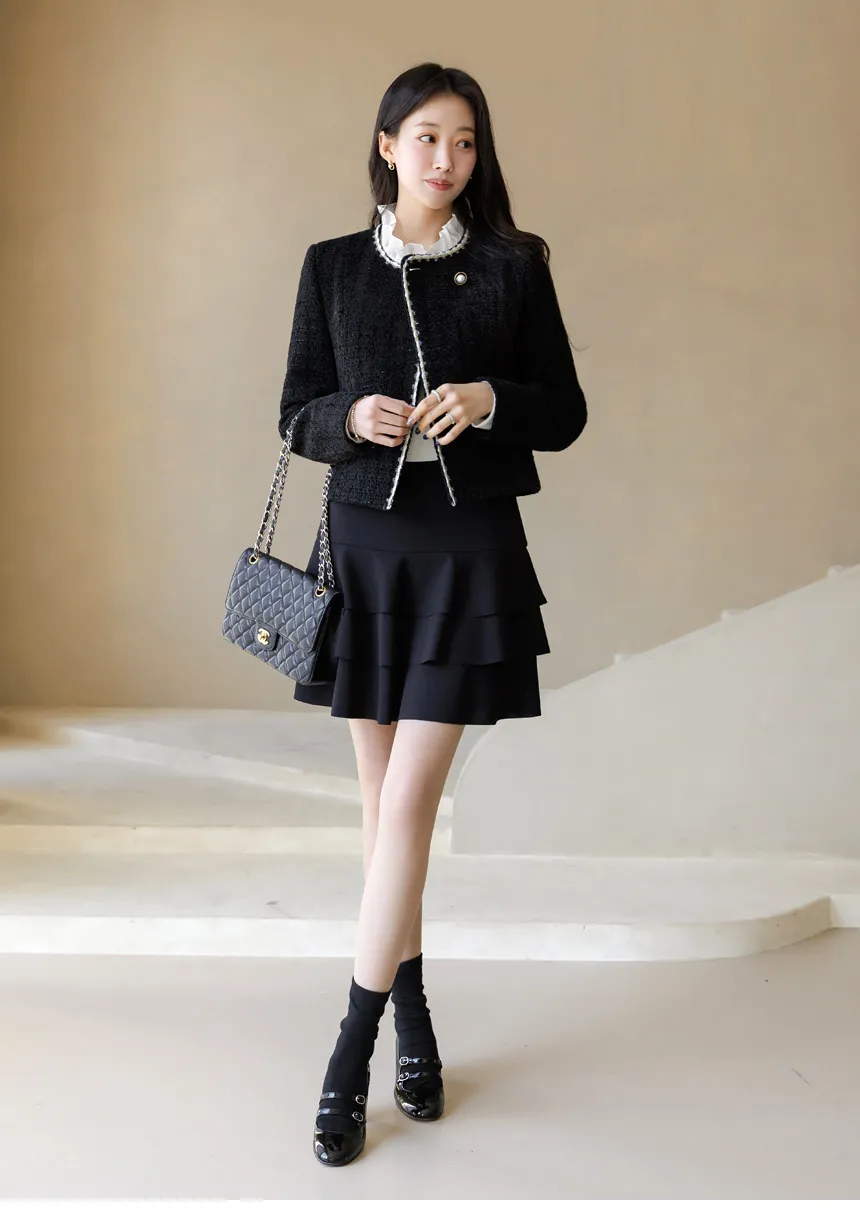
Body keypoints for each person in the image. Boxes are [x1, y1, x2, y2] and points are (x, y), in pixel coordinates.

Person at [277, 62, 587, 1167]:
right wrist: (348, 419)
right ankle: (414, 1022)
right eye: (426, 137)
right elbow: (294, 413)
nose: (446, 159)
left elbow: (565, 410)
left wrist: (493, 400)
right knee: (382, 818)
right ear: (386, 146)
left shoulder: (512, 266)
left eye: (463, 140)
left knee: (406, 807)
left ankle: (349, 1050)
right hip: (363, 552)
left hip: (467, 556)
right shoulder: (331, 266)